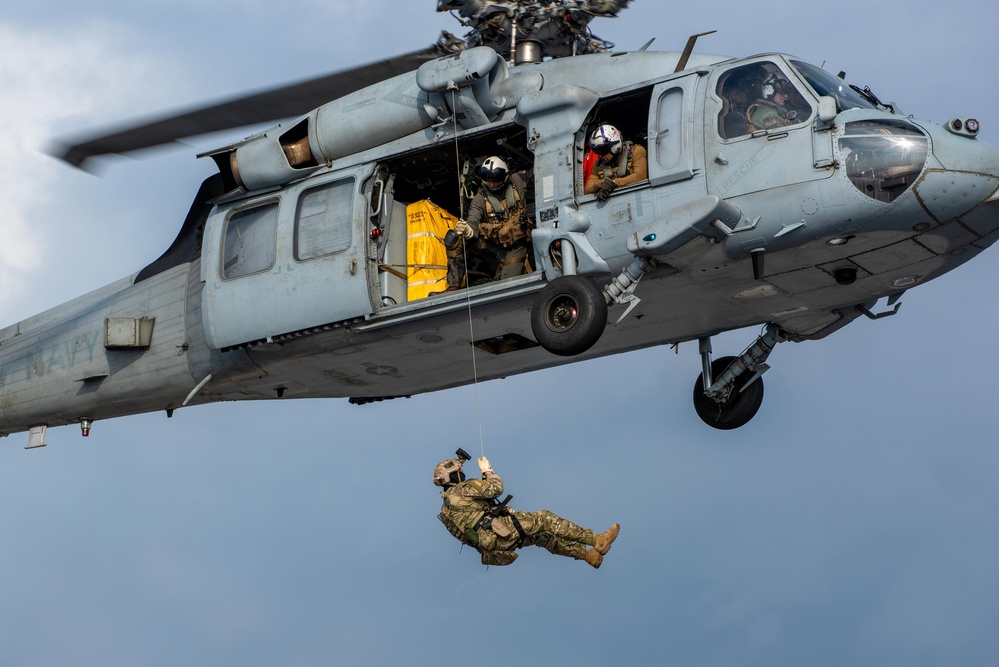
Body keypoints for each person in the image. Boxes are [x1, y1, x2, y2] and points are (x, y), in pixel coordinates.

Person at [434, 452, 620, 568]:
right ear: (452, 476)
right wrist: (488, 472)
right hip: (501, 530)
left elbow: (463, 536)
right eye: (459, 472)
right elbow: (496, 489)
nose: (462, 474)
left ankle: (588, 556)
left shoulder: (446, 511)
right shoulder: (462, 489)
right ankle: (596, 540)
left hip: (495, 544)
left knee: (543, 537)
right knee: (545, 519)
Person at [444, 156, 534, 290]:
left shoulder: (517, 181)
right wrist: (467, 230)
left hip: (517, 245)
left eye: (495, 181)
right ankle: (453, 285)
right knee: (454, 240)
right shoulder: (480, 198)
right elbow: (473, 220)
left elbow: (538, 173)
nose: (491, 185)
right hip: (494, 246)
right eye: (488, 181)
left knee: (507, 286)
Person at [583, 124, 648, 200]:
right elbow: (587, 189)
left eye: (603, 151)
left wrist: (614, 183)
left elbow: (639, 176)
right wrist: (600, 184)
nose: (600, 155)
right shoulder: (598, 165)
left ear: (614, 147)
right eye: (597, 152)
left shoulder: (636, 152)